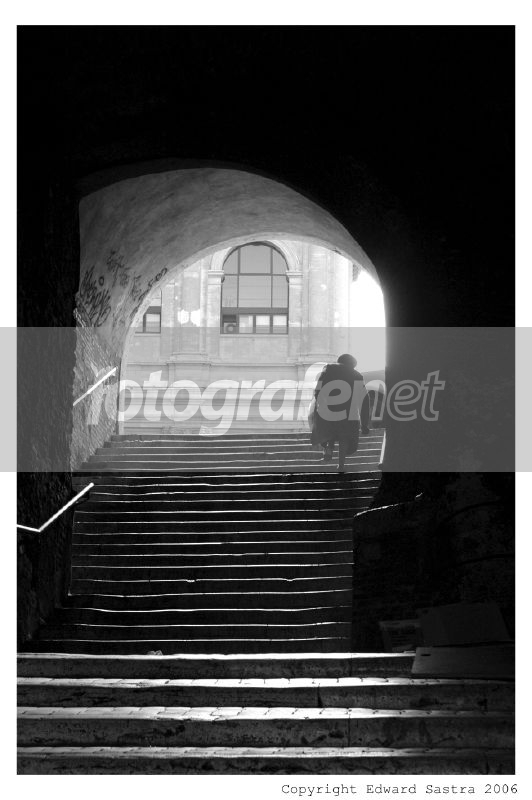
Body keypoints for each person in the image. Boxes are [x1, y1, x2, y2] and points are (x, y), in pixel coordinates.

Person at [310, 353, 370, 471]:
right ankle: (341, 465)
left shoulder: (327, 369)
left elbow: (318, 389)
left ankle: (328, 448)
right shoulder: (356, 375)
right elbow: (364, 399)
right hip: (348, 411)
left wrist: (320, 403)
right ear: (352, 364)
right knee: (344, 437)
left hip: (328, 408)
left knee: (328, 429)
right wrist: (364, 425)